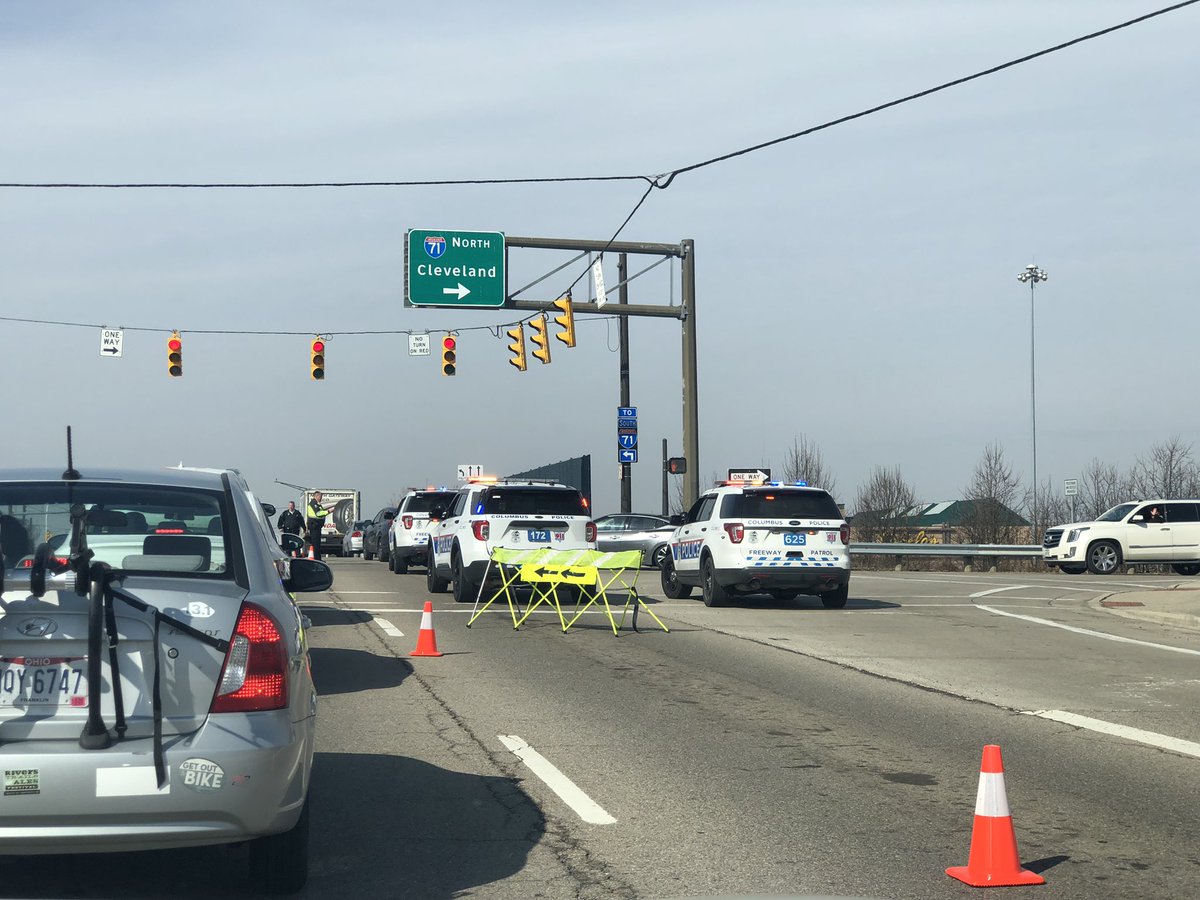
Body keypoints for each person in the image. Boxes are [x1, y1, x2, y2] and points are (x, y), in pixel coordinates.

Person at [305, 492, 335, 560]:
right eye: (320, 497)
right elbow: (318, 513)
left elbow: (322, 513)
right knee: (316, 544)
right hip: (314, 526)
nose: (321, 498)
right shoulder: (313, 504)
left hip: (317, 527)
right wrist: (328, 511)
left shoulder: (318, 505)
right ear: (316, 496)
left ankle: (318, 559)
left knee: (318, 544)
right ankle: (317, 559)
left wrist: (327, 512)